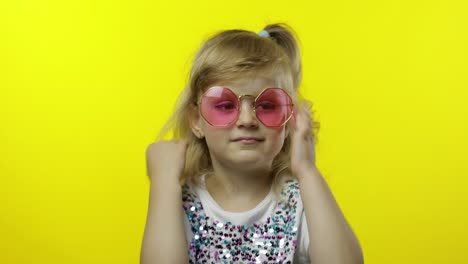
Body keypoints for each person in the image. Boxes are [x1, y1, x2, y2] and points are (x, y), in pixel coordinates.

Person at [140, 23, 364, 264]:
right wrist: (163, 183)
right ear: (197, 121)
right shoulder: (180, 203)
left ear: (289, 120)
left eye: (267, 105)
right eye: (225, 106)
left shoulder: (302, 201)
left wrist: (308, 171)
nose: (247, 120)